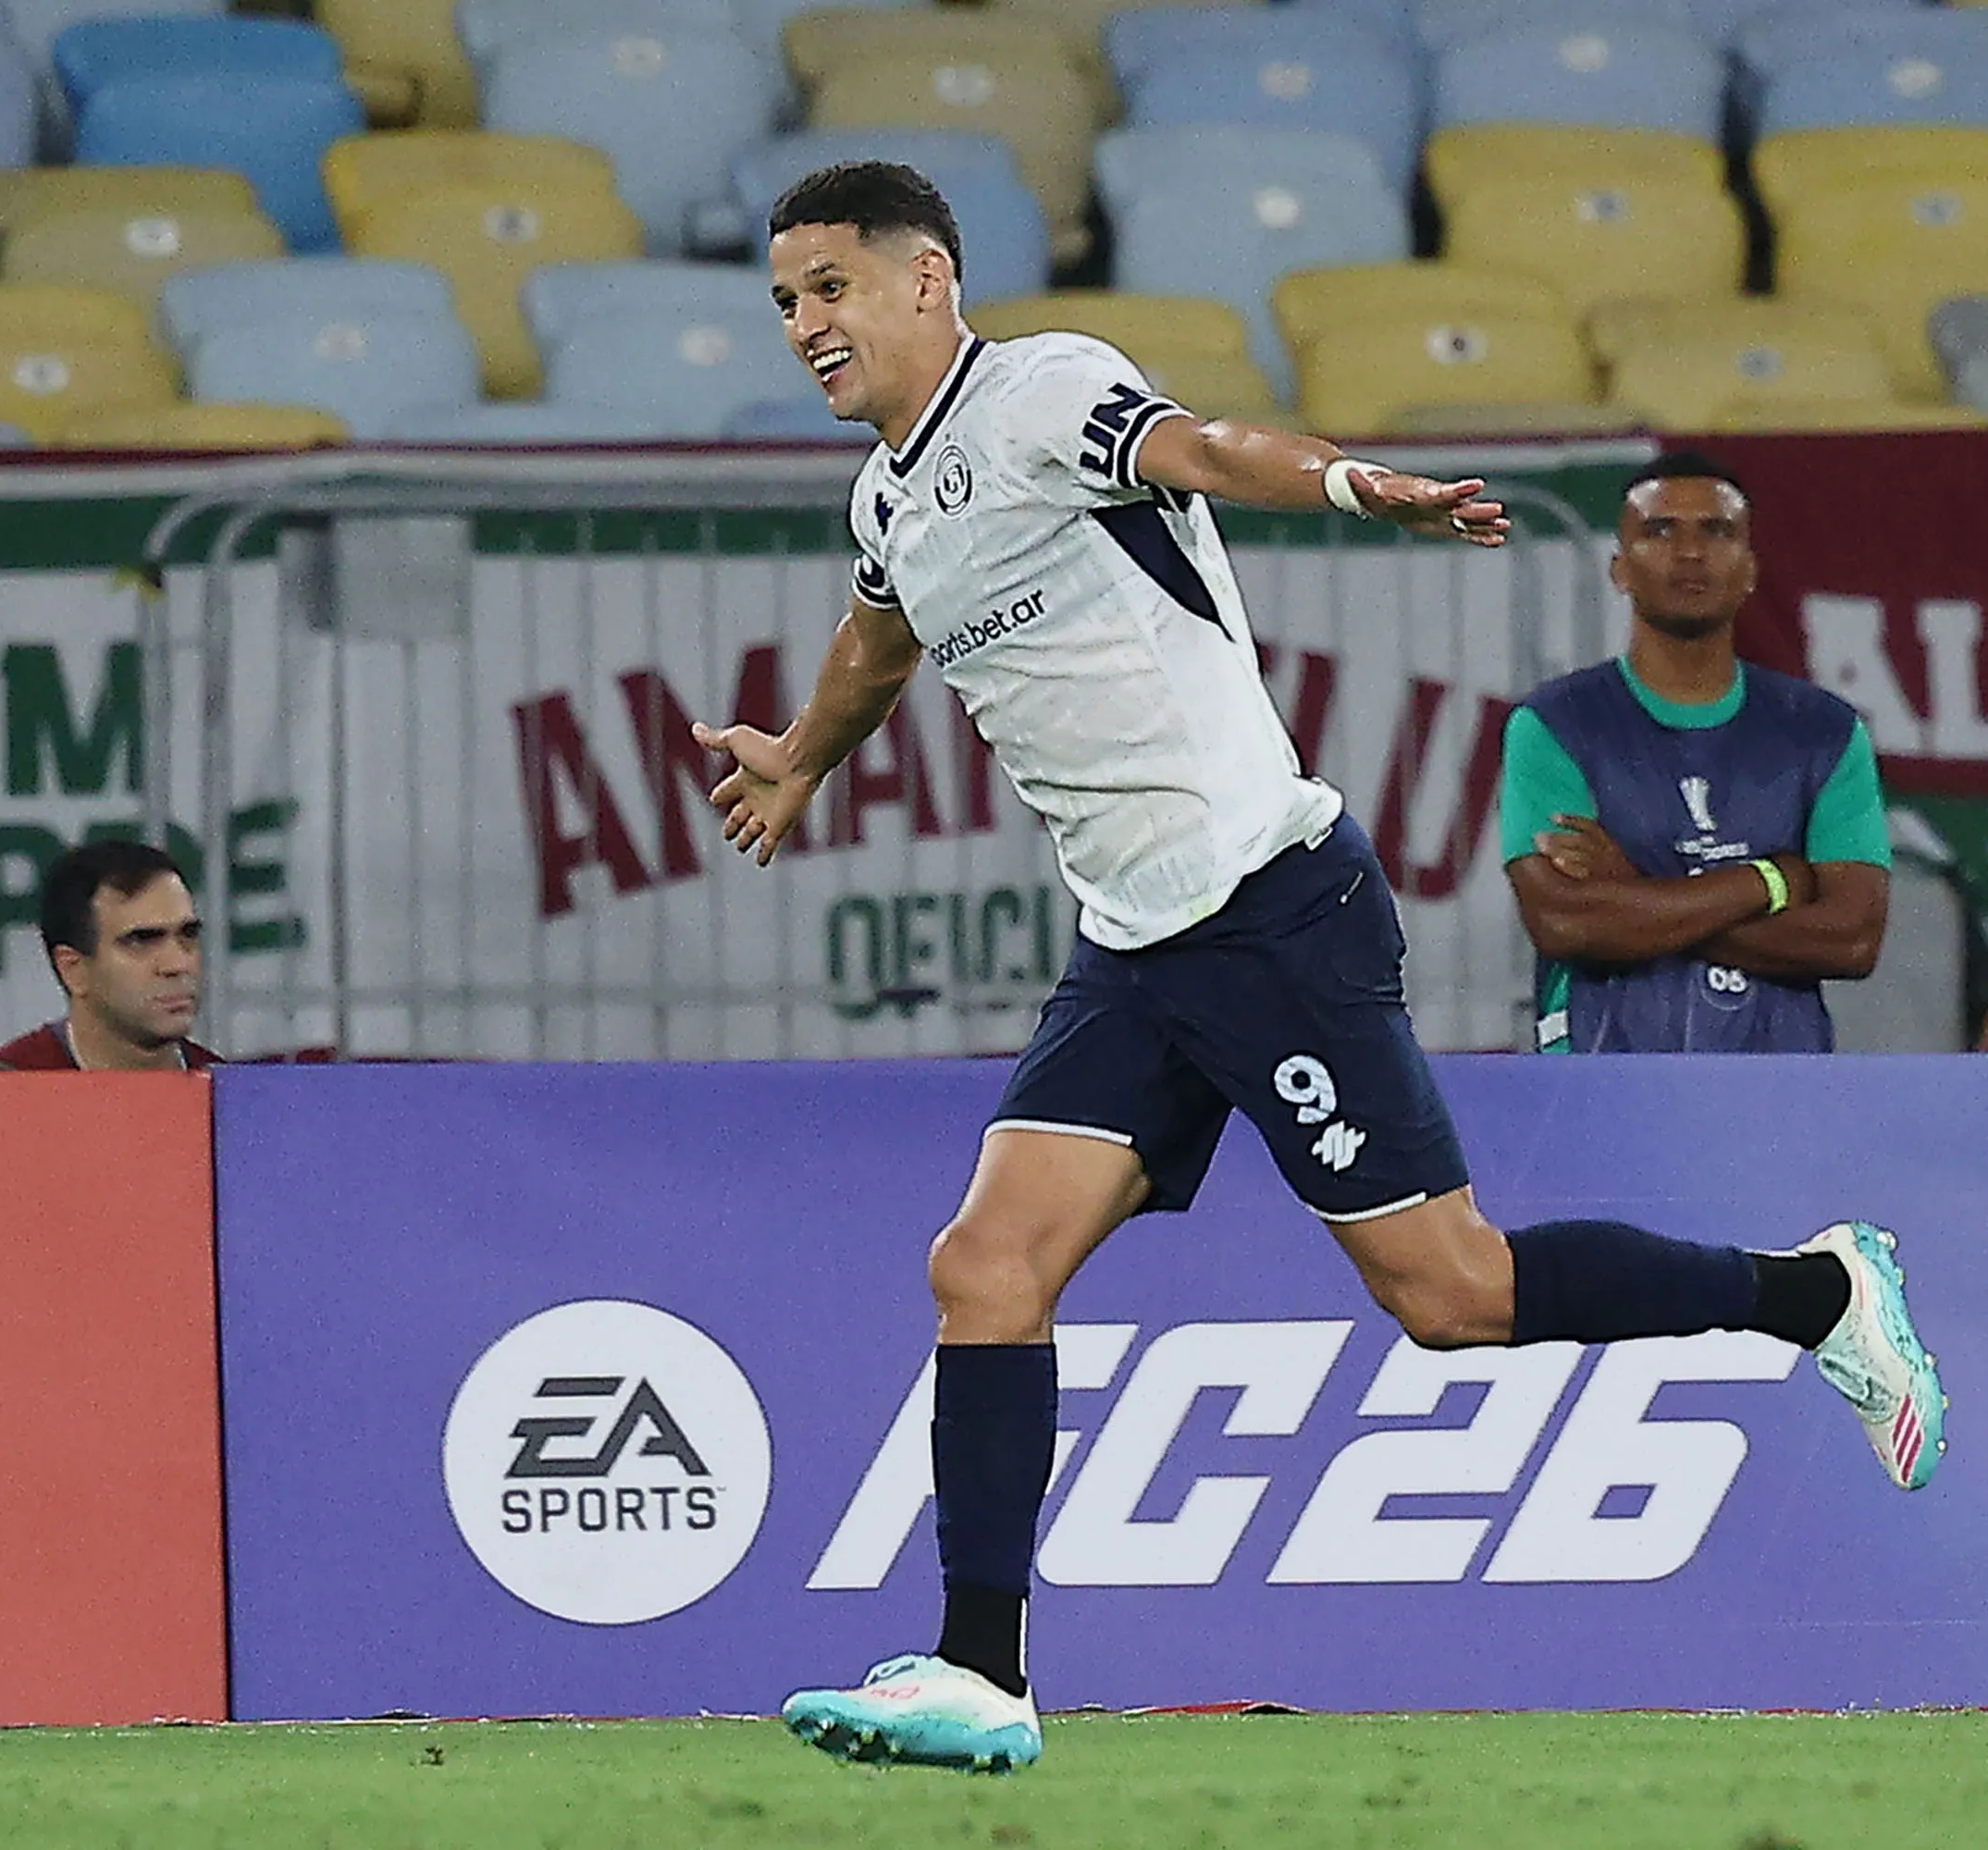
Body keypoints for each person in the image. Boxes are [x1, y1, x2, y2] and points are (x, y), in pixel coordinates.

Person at [689, 163, 1945, 1775]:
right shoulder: (889, 496)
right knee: (982, 1271)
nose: (806, 323)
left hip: (1272, 915)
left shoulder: (1047, 394)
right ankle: (978, 1673)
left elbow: (1205, 450)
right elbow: (881, 634)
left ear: (927, 279)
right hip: (1134, 947)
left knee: (1454, 1297)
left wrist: (1355, 488)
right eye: (785, 300)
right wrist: (799, 757)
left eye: (829, 288)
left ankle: (1819, 1289)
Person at [1500, 455, 1889, 1052]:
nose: (1689, 552)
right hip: (1601, 1083)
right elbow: (1567, 922)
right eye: (1659, 530)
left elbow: (1852, 940)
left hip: (1779, 1092)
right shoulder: (1553, 724)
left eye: (1717, 530)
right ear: (1620, 569)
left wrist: (1637, 886)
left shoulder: (1824, 731)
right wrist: (1772, 880)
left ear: (1751, 569)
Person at [0, 841, 218, 1071]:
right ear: (73, 970)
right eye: (141, 940)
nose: (179, 964)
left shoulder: (235, 1097)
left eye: (188, 934)